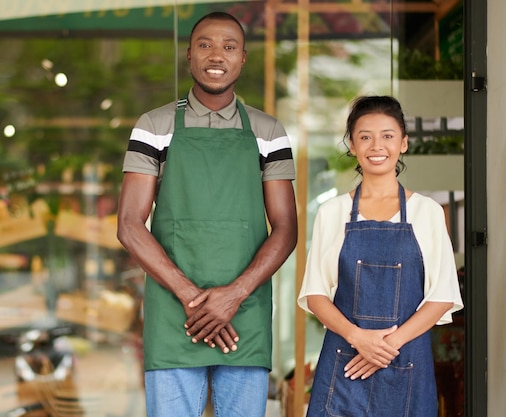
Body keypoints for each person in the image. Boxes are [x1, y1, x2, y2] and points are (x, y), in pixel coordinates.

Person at [117, 11, 298, 417]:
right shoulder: (154, 126)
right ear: (189, 55)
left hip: (245, 310)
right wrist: (193, 298)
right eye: (205, 44)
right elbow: (129, 226)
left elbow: (286, 229)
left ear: (243, 58)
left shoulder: (268, 132)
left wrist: (233, 296)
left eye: (229, 46)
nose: (217, 55)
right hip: (174, 309)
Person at [297, 95, 464, 416]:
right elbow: (315, 293)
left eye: (387, 136)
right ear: (352, 145)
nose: (377, 146)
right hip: (345, 359)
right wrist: (358, 338)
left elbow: (442, 296)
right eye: (365, 137)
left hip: (406, 357)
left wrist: (385, 346)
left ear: (403, 143)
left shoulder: (426, 212)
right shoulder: (333, 212)